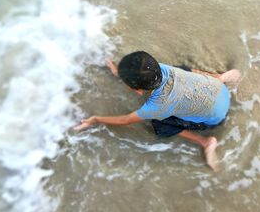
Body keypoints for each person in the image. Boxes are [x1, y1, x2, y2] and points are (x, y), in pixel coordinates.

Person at [74, 51, 241, 171]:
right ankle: (221, 77)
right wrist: (119, 72)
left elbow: (125, 120)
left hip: (214, 118)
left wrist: (95, 119)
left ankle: (205, 142)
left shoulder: (156, 106)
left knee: (160, 124)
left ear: (138, 90)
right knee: (184, 71)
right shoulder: (163, 68)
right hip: (221, 91)